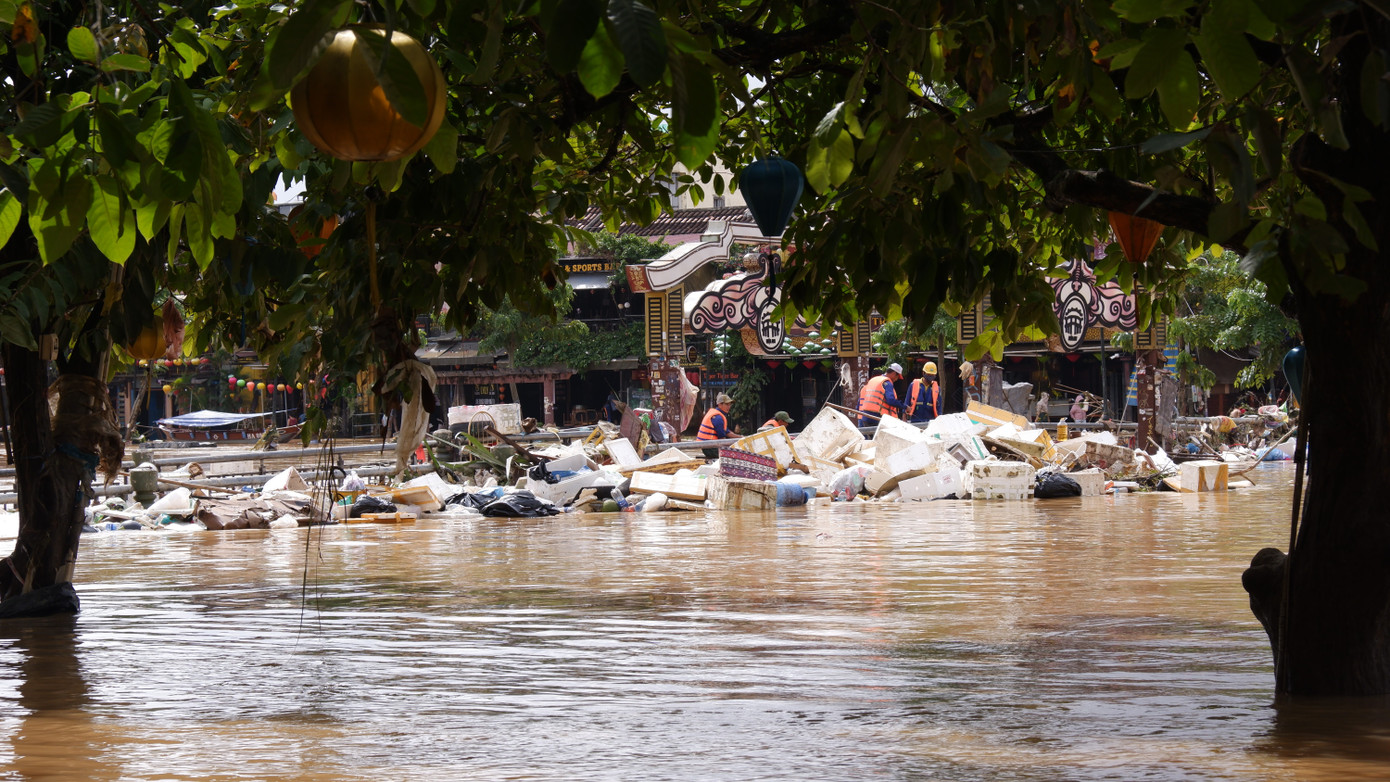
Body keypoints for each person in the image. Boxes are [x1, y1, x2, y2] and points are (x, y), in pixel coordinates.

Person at [858, 363, 904, 427]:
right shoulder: (887, 383)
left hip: (865, 417)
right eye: (897, 377)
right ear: (894, 373)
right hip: (877, 418)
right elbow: (890, 400)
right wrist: (904, 406)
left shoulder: (873, 380)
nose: (896, 379)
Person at [697, 392, 734, 459]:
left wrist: (741, 437)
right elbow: (722, 438)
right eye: (727, 404)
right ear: (720, 404)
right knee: (733, 454)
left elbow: (727, 432)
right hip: (710, 448)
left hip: (707, 446)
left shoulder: (717, 414)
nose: (729, 407)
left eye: (730, 404)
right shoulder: (718, 417)